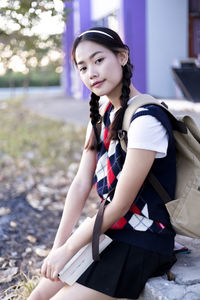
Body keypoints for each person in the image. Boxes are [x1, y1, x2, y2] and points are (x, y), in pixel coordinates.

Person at [28, 27, 177, 300]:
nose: (91, 73)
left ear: (122, 57)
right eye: (82, 67)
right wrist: (58, 246)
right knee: (37, 296)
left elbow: (120, 203)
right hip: (111, 231)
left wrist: (69, 249)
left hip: (143, 242)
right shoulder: (101, 115)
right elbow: (81, 183)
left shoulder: (146, 119)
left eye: (98, 60)